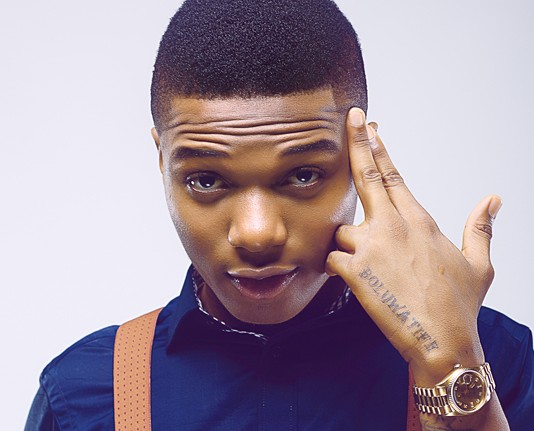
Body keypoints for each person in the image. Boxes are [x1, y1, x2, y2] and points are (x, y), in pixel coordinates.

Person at [25, 0, 534, 430]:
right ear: (163, 160)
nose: (256, 234)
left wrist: (451, 368)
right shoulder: (84, 395)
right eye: (207, 180)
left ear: (363, 154)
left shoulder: (498, 359)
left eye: (303, 175)